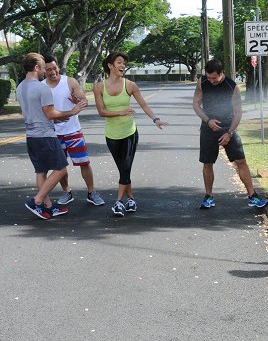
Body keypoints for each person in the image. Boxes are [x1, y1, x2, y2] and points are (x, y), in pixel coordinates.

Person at [93, 51, 169, 217]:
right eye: (119, 62)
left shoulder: (130, 85)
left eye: (124, 63)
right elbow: (101, 112)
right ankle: (131, 199)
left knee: (126, 166)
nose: (122, 66)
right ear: (110, 65)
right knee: (123, 170)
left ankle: (119, 202)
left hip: (129, 133)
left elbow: (144, 105)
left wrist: (155, 119)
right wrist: (121, 112)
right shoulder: (99, 87)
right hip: (111, 135)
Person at [17, 53, 87, 219]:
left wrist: (61, 117)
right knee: (61, 168)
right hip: (45, 136)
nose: (45, 70)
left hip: (31, 136)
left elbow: (38, 113)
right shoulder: (42, 87)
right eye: (42, 66)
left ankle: (47, 207)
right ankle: (38, 200)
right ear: (36, 67)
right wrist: (72, 111)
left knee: (41, 171)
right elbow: (50, 113)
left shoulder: (20, 87)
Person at [193, 59, 268, 209]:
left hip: (228, 127)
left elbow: (238, 112)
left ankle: (252, 196)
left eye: (214, 77)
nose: (211, 80)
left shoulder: (232, 86)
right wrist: (208, 121)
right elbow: (196, 104)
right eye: (209, 77)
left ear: (222, 74)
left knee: (241, 161)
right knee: (207, 163)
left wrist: (229, 133)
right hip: (208, 128)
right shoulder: (202, 82)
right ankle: (208, 197)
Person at [43, 55, 105, 207]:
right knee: (60, 166)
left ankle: (91, 193)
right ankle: (66, 192)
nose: (52, 72)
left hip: (73, 131)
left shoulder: (69, 81)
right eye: (48, 69)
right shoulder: (41, 86)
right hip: (54, 133)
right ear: (44, 71)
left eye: (54, 68)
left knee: (84, 162)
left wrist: (78, 101)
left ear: (58, 67)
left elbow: (84, 100)